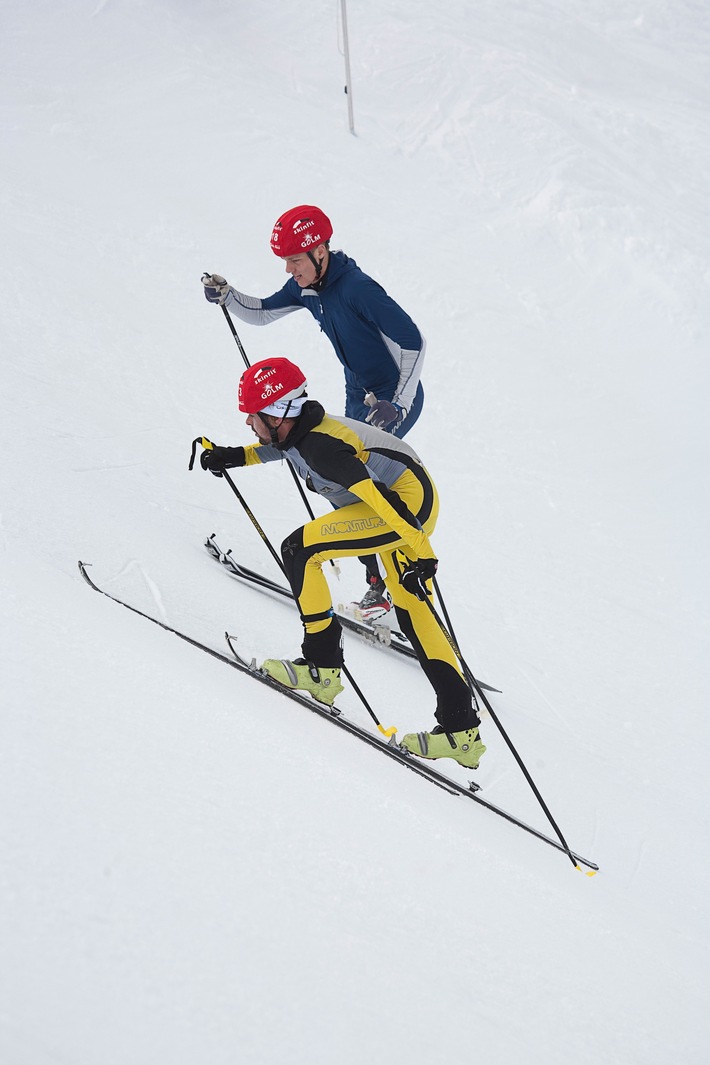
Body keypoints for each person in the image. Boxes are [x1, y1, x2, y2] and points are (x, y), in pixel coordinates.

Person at [199, 356, 485, 770]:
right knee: (412, 612)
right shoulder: (299, 433)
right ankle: (462, 733)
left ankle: (321, 668)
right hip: (409, 500)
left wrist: (423, 554)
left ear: (278, 414)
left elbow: (379, 499)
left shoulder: (322, 446)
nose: (249, 424)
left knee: (302, 549)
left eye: (253, 416)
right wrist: (234, 456)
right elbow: (279, 451)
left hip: (404, 508)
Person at [201, 204, 426, 623]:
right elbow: (263, 312)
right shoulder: (309, 288)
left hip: (391, 398)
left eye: (295, 260)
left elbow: (413, 341)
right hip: (359, 393)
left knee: (363, 483)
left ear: (321, 252)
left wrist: (398, 402)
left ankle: (400, 582)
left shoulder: (358, 288)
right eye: (285, 261)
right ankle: (380, 586)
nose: (289, 270)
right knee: (337, 478)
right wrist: (228, 297)